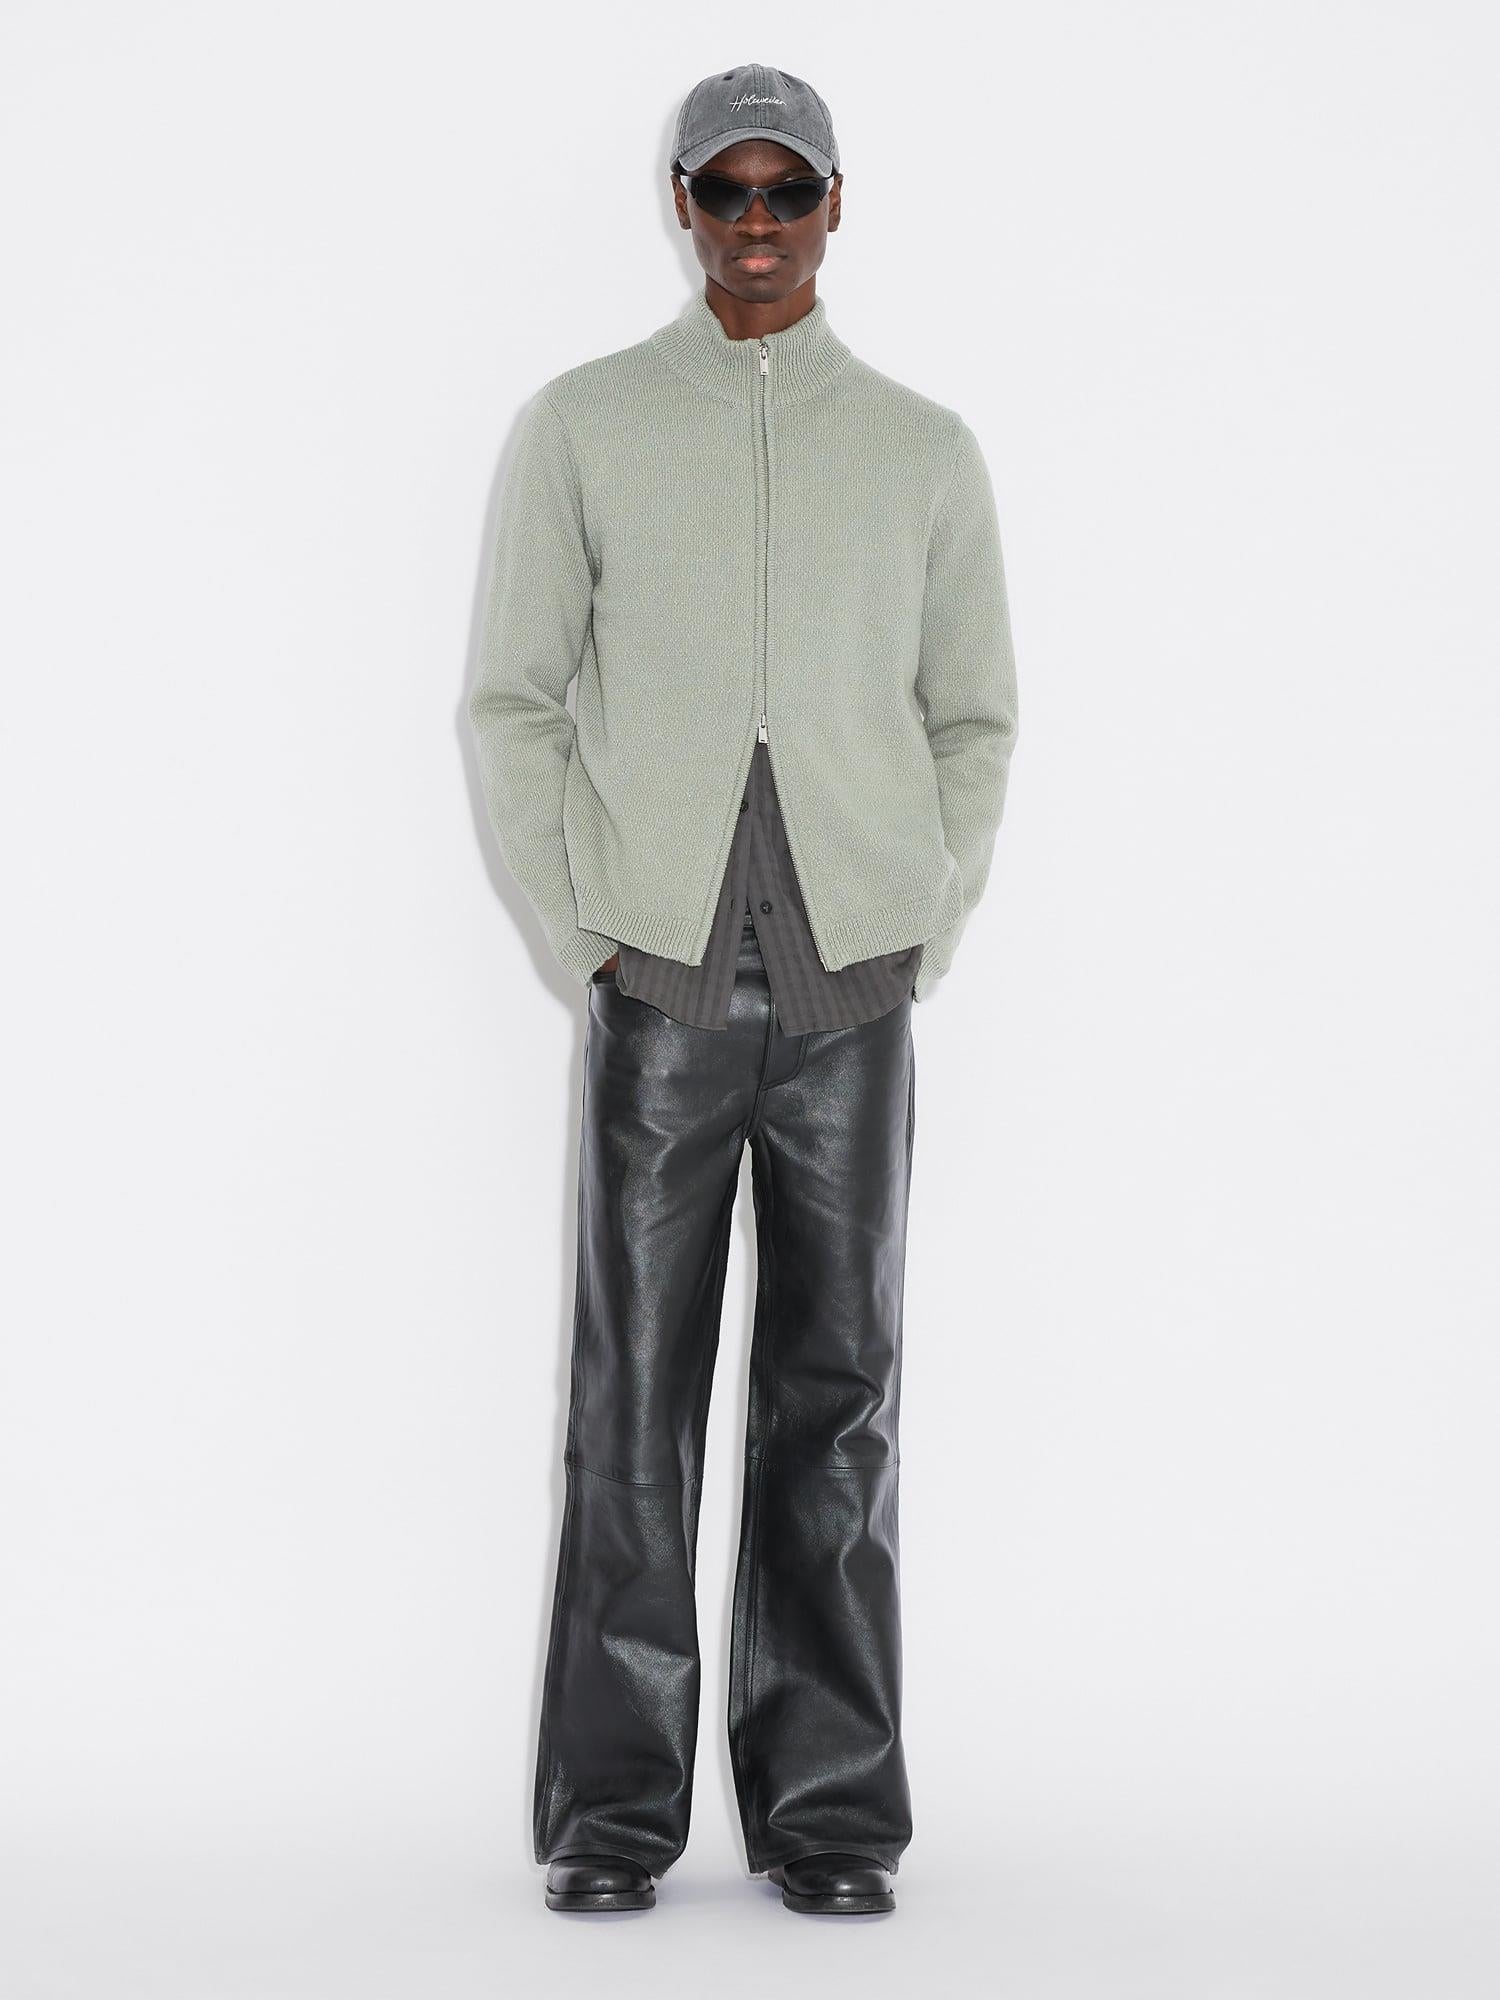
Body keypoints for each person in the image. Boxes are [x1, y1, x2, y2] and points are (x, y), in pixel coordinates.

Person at [468, 62, 1019, 1917]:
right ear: (684, 206)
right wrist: (586, 932)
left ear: (839, 207)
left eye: (791, 193)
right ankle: (612, 1819)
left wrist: (927, 915)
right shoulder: (587, 425)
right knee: (632, 1402)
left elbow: (975, 718)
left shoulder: (925, 449)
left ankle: (833, 1816)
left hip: (855, 988)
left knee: (838, 1398)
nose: (759, 225)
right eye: (728, 193)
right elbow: (513, 702)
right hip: (662, 988)